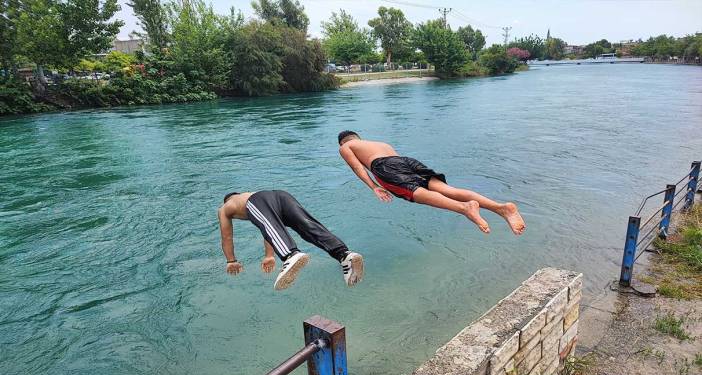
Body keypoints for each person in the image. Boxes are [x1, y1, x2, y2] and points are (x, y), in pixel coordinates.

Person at [337, 130, 526, 235]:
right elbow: (395, 160)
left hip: (384, 166)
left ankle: (465, 208)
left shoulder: (346, 146)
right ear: (359, 137)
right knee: (448, 190)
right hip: (406, 160)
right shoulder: (379, 143)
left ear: (343, 142)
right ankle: (501, 208)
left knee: (416, 193)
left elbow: (357, 168)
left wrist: (374, 187)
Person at [217, 190, 364, 290]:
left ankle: (290, 255)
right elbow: (268, 229)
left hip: (259, 200)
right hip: (281, 195)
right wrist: (269, 255)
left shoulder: (226, 207)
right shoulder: (248, 194)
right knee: (308, 227)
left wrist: (231, 261)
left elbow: (227, 236)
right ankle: (344, 255)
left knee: (275, 231)